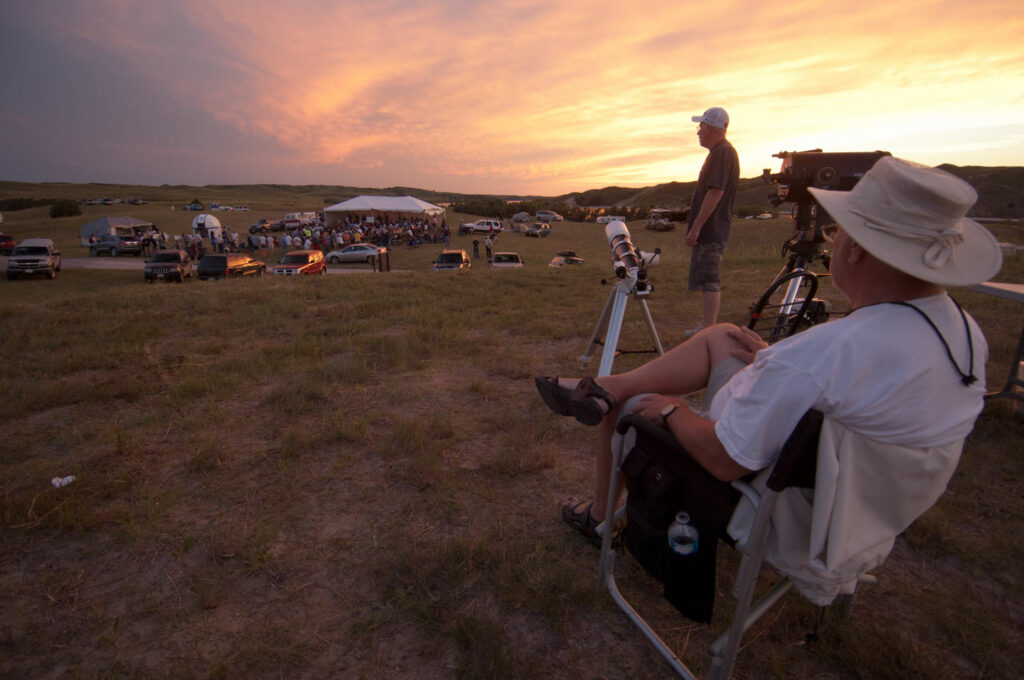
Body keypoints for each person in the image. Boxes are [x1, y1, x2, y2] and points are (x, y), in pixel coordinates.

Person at [535, 156, 1002, 547]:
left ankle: (599, 513)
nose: (832, 244)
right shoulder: (961, 333)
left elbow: (723, 458)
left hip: (775, 511)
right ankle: (605, 386)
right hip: (866, 512)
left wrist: (674, 411)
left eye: (837, 235)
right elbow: (848, 383)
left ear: (856, 251)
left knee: (630, 410)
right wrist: (771, 359)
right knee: (724, 338)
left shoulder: (825, 353)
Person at [685, 107, 740, 335]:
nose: (698, 132)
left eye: (701, 127)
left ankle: (709, 330)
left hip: (712, 228)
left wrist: (696, 227)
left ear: (710, 128)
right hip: (711, 228)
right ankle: (707, 326)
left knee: (710, 279)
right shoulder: (719, 152)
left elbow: (715, 192)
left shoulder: (722, 152)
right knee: (706, 277)